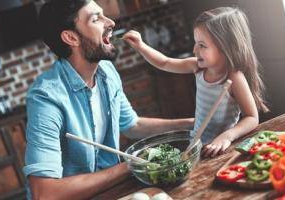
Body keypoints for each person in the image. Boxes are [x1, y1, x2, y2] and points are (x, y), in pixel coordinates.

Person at [23, 0, 194, 199]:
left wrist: (192, 124)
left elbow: (132, 124)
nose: (110, 22)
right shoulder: (46, 98)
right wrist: (132, 165)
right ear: (71, 37)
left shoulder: (105, 70)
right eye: (96, 19)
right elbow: (45, 193)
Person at [123, 7, 269, 159]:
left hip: (221, 149)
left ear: (225, 47)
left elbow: (252, 118)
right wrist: (141, 46)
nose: (194, 50)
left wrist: (227, 137)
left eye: (202, 45)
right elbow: (164, 63)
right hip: (197, 146)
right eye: (195, 43)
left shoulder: (233, 77)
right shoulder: (197, 67)